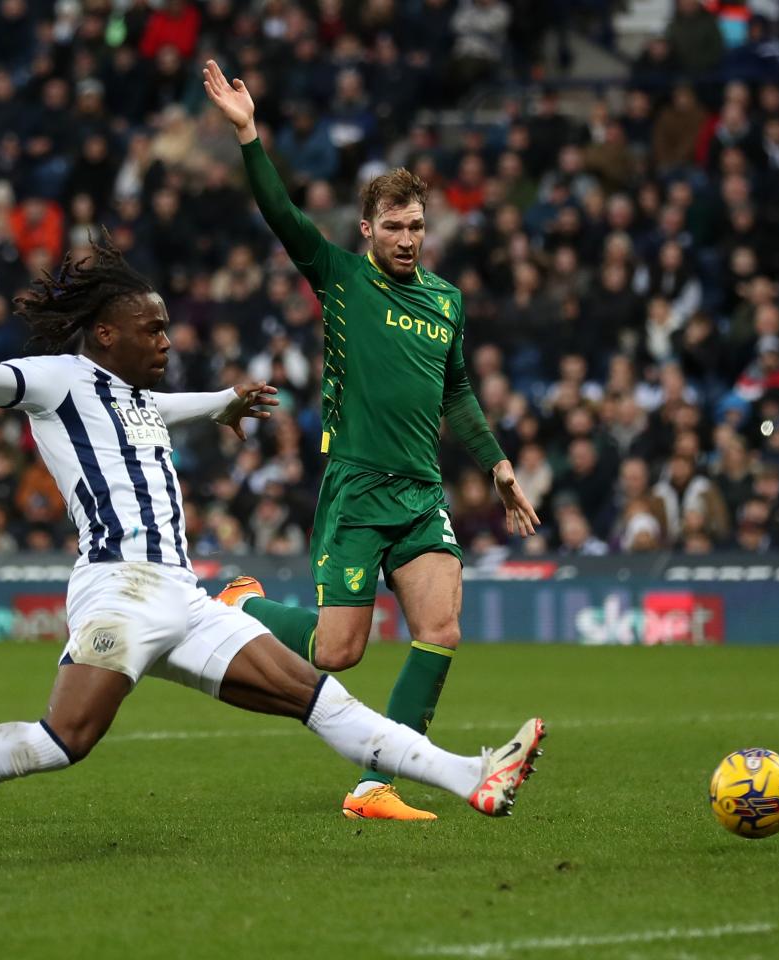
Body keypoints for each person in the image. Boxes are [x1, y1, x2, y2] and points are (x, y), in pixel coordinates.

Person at [0, 240, 546, 864]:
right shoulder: (58, 383)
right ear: (103, 334)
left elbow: (169, 409)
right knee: (65, 741)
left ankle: (473, 777)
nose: (165, 341)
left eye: (165, 329)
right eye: (151, 330)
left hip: (185, 599)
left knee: (320, 698)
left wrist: (222, 403)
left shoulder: (136, 399)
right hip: (117, 591)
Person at [204, 61, 541, 821]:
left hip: (420, 491)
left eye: (417, 225)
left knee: (441, 628)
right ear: (367, 230)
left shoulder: (447, 301)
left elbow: (456, 390)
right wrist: (249, 135)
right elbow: (284, 217)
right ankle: (243, 605)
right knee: (335, 652)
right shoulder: (343, 280)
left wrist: (497, 464)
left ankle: (372, 787)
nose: (407, 238)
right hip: (357, 487)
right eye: (392, 226)